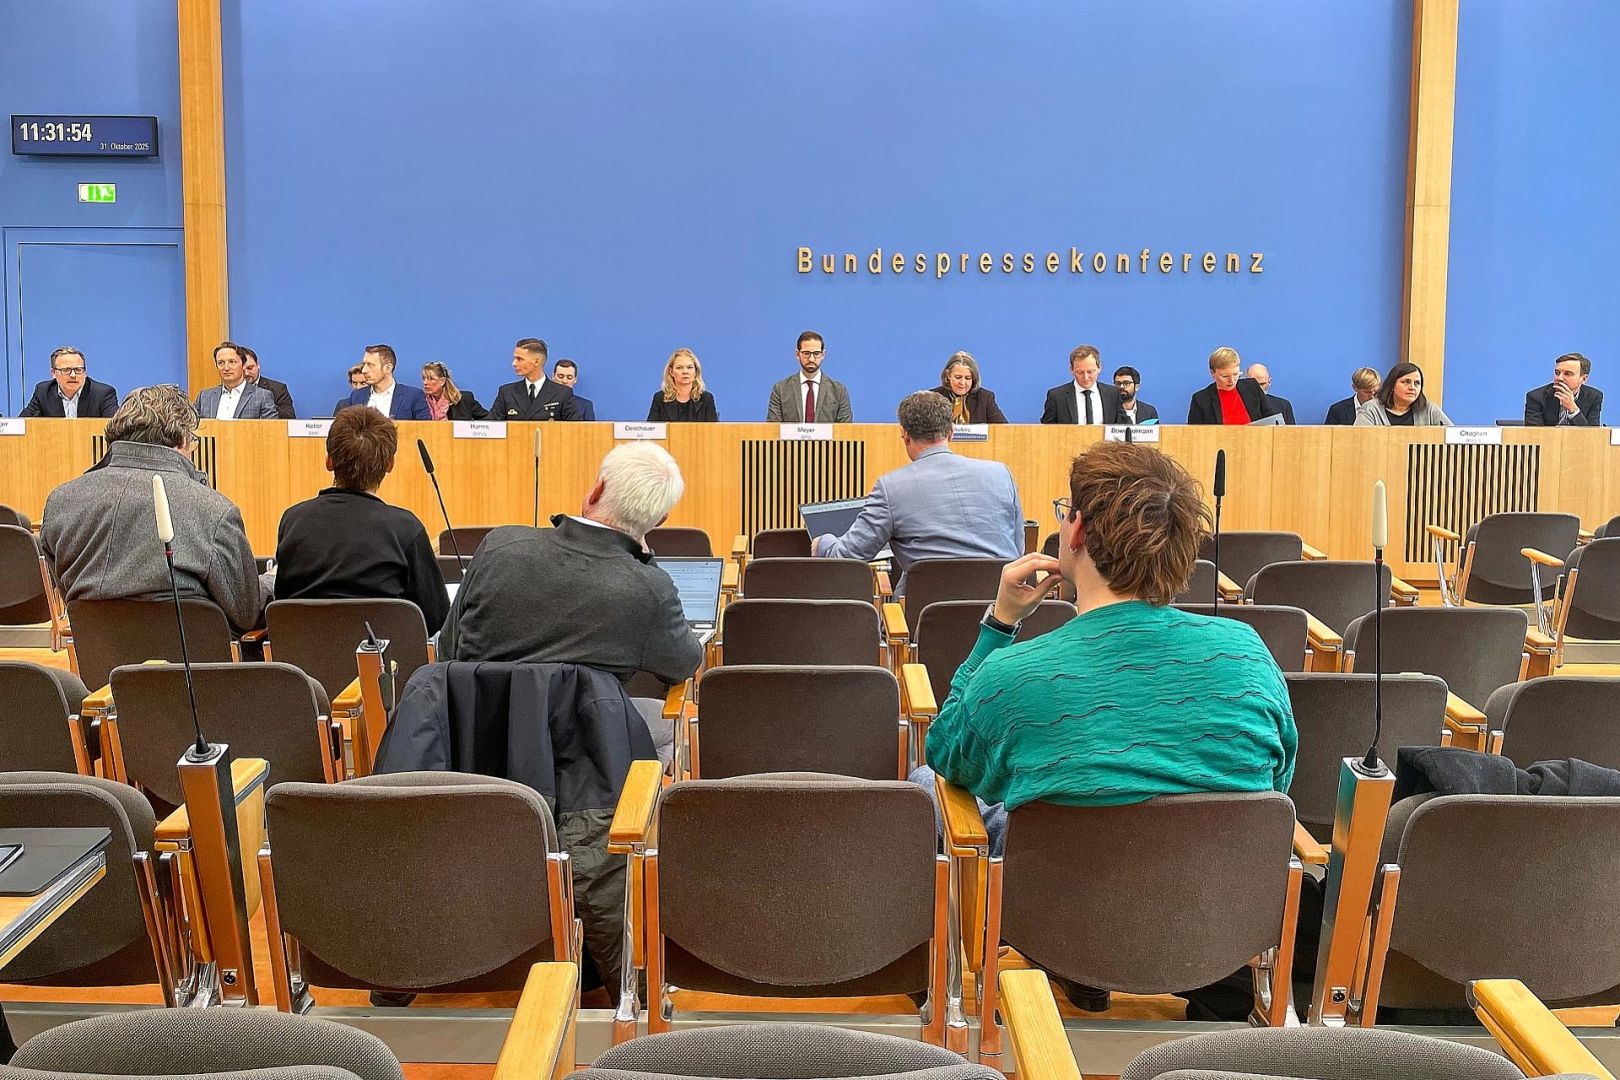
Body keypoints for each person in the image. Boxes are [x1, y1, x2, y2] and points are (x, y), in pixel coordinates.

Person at [914, 440, 1295, 1018]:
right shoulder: (1248, 653)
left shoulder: (1015, 675)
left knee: (926, 782)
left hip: (1062, 923)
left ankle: (957, 997)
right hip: (1211, 927)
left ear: (1076, 532)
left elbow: (946, 753)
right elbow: (1278, 778)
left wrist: (999, 623)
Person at [439, 441, 702, 685]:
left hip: (472, 730)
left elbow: (448, 649)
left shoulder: (499, 545)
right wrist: (645, 559)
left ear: (596, 490)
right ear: (659, 521)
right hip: (588, 735)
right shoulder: (650, 590)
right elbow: (685, 665)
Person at [40, 385, 266, 632]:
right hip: (193, 667)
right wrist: (270, 582)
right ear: (182, 439)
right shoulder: (214, 510)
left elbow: (67, 592)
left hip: (99, 666)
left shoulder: (60, 501)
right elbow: (245, 614)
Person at [811, 392, 1023, 592]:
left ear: (904, 434)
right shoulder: (1002, 474)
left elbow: (846, 558)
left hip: (927, 620)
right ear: (951, 431)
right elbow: (1017, 550)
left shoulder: (890, 488)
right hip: (1005, 615)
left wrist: (823, 543)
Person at [271, 407, 449, 629]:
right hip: (384, 660)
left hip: (302, 661)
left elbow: (283, 600)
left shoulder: (293, 520)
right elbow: (435, 618)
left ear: (329, 461)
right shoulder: (406, 529)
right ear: (389, 464)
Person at [766, 331, 853, 422]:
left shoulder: (839, 391)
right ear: (797, 354)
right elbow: (773, 430)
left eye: (816, 353)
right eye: (806, 353)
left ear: (823, 354)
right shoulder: (780, 389)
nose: (811, 359)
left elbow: (846, 431)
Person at [491, 338, 583, 421]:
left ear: (537, 361)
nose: (514, 363)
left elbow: (576, 430)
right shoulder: (506, 392)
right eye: (515, 358)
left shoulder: (563, 394)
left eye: (520, 359)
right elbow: (491, 427)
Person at [19, 347, 118, 418]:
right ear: (54, 373)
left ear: (85, 372)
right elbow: (22, 425)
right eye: (66, 370)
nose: (73, 375)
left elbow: (115, 430)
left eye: (78, 370)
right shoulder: (43, 392)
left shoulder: (103, 394)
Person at [1186, 347, 1276, 425]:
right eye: (1225, 376)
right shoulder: (1201, 400)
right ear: (1212, 373)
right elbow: (1194, 433)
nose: (1232, 381)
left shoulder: (1252, 387)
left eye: (1236, 374)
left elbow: (1271, 420)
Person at [1041, 345, 1125, 425]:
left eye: (1090, 372)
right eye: (1080, 372)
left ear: (1099, 368)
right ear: (1072, 370)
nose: (1086, 377)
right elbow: (1047, 430)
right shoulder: (1056, 396)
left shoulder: (1113, 394)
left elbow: (1124, 425)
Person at [195, 341, 280, 420]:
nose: (226, 368)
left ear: (243, 366)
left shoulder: (262, 396)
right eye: (221, 363)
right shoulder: (204, 396)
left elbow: (270, 432)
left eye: (232, 362)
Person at [344, 344, 431, 420]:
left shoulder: (413, 396)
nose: (364, 370)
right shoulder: (356, 396)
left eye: (370, 365)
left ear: (388, 368)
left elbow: (426, 430)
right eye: (364, 364)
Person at [1354, 362, 1452, 426]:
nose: (1412, 387)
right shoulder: (1371, 409)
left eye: (1417, 383)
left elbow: (1453, 438)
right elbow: (1358, 440)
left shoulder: (1429, 410)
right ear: (1392, 385)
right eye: (1406, 382)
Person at [1524, 353, 1603, 426]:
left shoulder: (1594, 397)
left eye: (1568, 374)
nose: (1559, 378)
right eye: (1557, 373)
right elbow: (1534, 435)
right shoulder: (1536, 397)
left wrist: (1573, 409)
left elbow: (1592, 435)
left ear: (1584, 379)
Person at [930, 351, 1007, 424]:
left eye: (967, 378)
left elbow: (1004, 430)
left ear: (974, 378)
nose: (962, 382)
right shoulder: (932, 398)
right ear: (948, 375)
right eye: (958, 377)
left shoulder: (985, 398)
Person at [646, 348, 719, 422]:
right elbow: (651, 430)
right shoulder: (660, 398)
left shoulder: (706, 398)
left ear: (696, 372)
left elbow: (713, 431)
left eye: (689, 367)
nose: (685, 371)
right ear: (671, 372)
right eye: (679, 368)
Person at [242, 346, 297, 419]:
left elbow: (290, 417)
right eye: (242, 370)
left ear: (258, 364)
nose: (246, 373)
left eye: (250, 368)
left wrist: (266, 403)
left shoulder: (278, 389)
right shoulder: (230, 390)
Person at [421, 361, 489, 420]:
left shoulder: (463, 399)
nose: (425, 383)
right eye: (424, 378)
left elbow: (488, 419)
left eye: (431, 379)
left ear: (442, 381)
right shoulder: (420, 401)